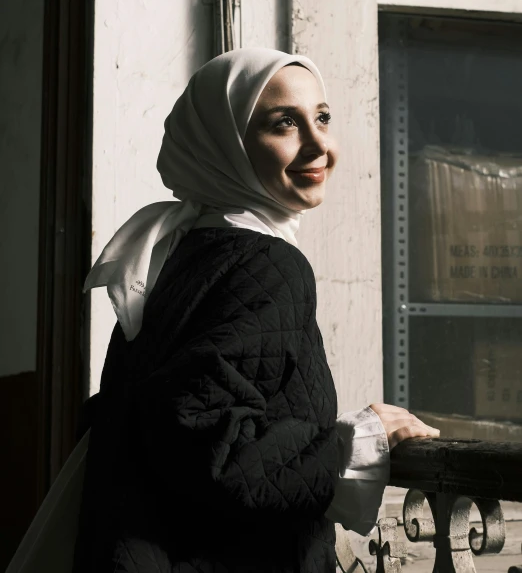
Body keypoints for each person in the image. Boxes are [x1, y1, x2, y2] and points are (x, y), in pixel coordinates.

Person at [8, 48, 438, 573]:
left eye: (322, 118)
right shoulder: (266, 262)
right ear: (226, 142)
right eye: (285, 123)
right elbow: (212, 447)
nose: (320, 144)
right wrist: (361, 436)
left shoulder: (179, 252)